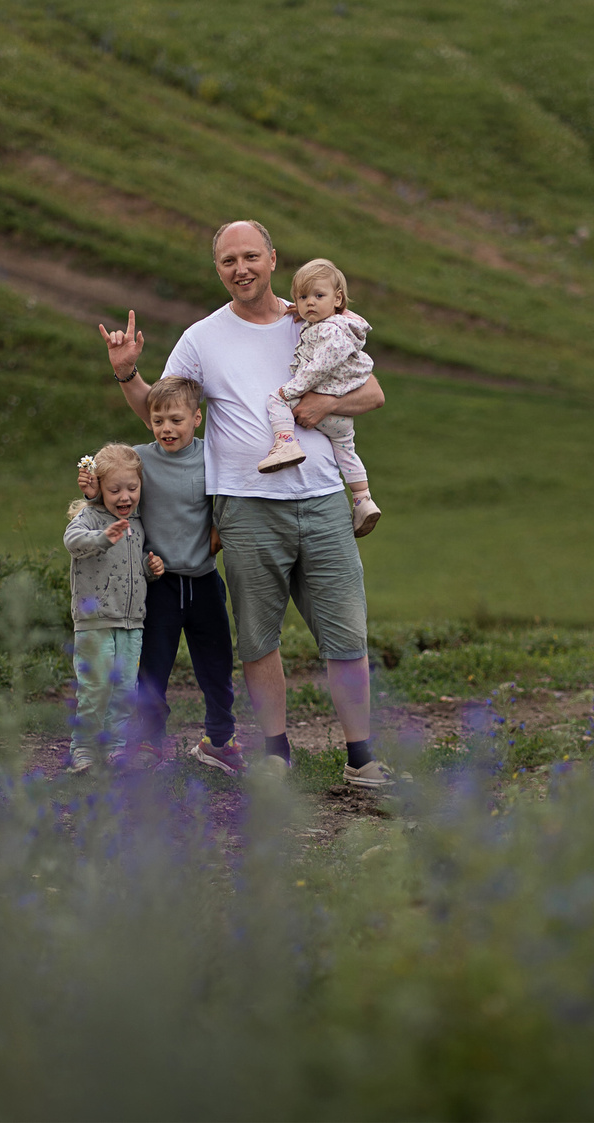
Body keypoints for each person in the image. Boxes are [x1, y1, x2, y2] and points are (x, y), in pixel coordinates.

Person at [96, 220, 391, 788]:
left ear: (273, 258)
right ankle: (276, 756)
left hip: (325, 498)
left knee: (347, 634)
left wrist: (319, 405)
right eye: (229, 261)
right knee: (258, 638)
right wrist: (128, 373)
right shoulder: (202, 337)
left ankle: (362, 758)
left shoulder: (310, 321)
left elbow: (373, 392)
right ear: (218, 270)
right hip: (247, 507)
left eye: (251, 256)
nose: (241, 269)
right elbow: (164, 417)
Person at [130, 376, 244, 776]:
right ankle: (148, 740)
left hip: (203, 581)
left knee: (216, 665)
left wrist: (220, 531)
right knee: (152, 666)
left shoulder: (212, 457)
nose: (167, 429)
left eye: (176, 420)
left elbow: (232, 498)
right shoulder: (139, 460)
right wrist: (91, 483)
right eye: (158, 420)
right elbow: (112, 485)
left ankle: (220, 741)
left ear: (197, 418)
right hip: (159, 586)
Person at [257, 259, 382, 537]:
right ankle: (363, 499)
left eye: (318, 296)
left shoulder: (329, 330)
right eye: (302, 298)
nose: (309, 303)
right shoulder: (346, 324)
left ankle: (286, 443)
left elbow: (320, 366)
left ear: (337, 299)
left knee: (275, 400)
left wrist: (294, 388)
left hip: (322, 399)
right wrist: (310, 311)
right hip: (340, 420)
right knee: (346, 452)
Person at [63, 443, 151, 774]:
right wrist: (102, 537)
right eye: (115, 489)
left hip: (131, 622)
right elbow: (72, 543)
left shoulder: (138, 523)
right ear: (99, 488)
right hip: (95, 621)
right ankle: (82, 749)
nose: (124, 496)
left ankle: (116, 748)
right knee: (96, 687)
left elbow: (130, 567)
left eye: (132, 487)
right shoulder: (89, 518)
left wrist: (149, 567)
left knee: (125, 689)